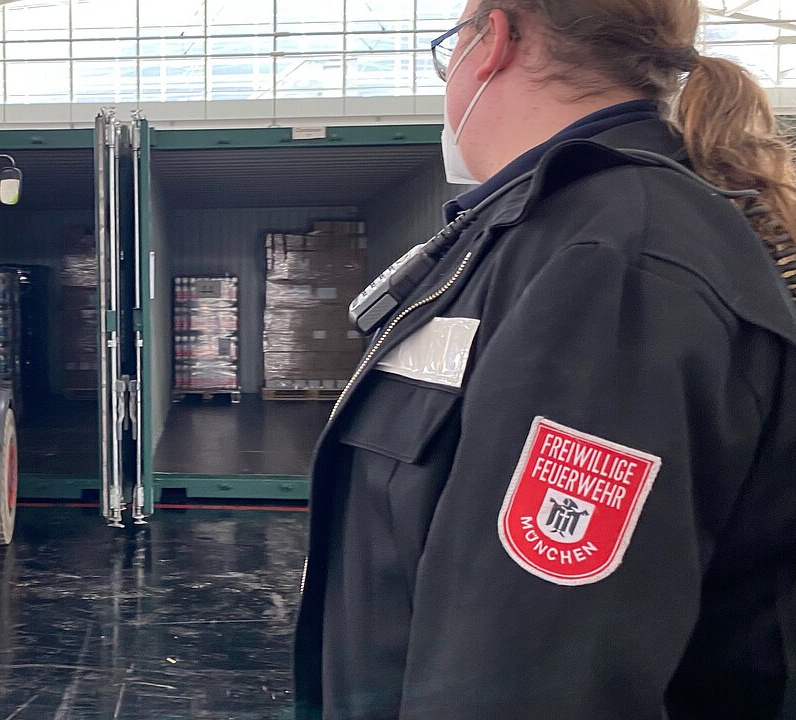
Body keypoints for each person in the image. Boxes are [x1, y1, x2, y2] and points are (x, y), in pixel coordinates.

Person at [295, 1, 796, 719]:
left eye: (450, 46)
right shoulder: (530, 236)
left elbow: (534, 676)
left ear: (494, 41)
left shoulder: (615, 265)